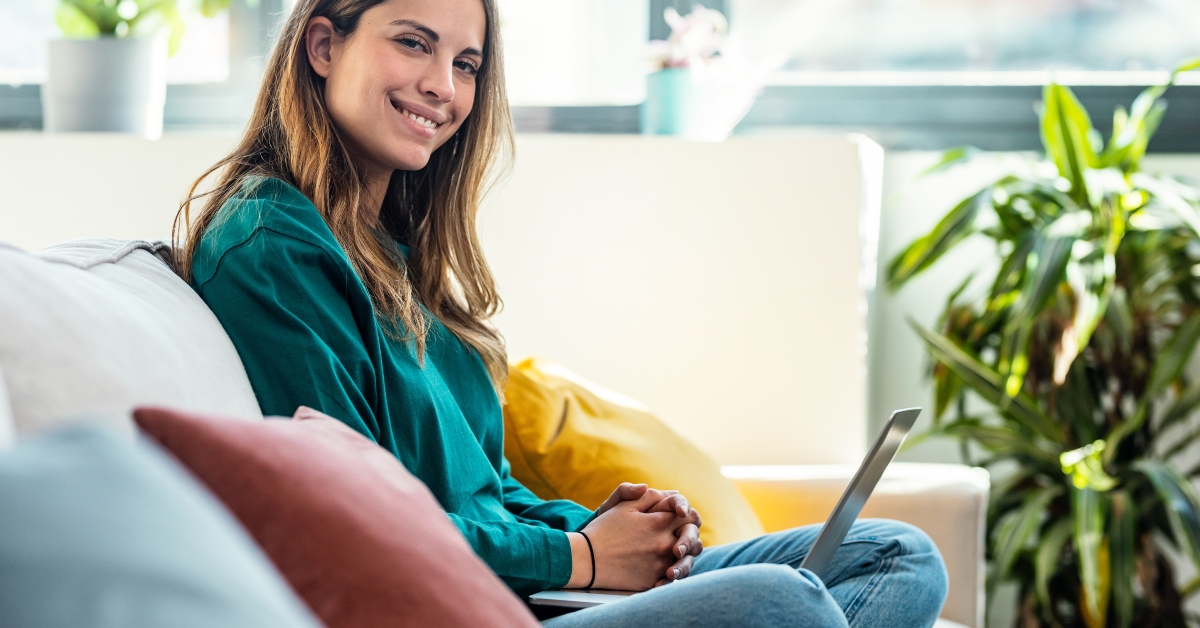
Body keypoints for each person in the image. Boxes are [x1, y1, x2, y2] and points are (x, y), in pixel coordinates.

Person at [174, 0, 949, 625]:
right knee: (785, 604)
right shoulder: (273, 243)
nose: (443, 85)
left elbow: (485, 493)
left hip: (523, 588)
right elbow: (359, 525)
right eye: (413, 43)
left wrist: (608, 530)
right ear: (321, 46)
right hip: (464, 608)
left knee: (897, 557)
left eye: (466, 63)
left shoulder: (395, 253)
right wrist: (584, 558)